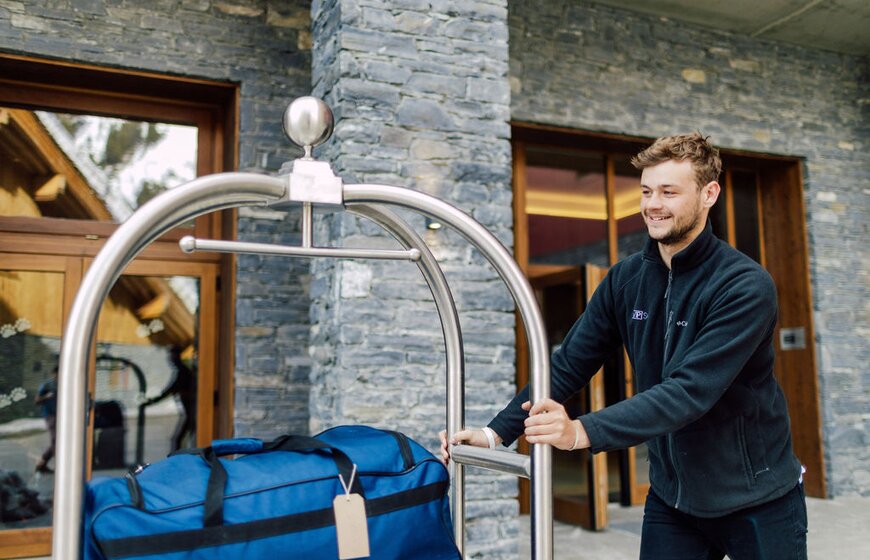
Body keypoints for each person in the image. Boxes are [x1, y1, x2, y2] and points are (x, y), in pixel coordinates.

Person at [441, 132, 807, 560]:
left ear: (709, 194)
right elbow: (569, 364)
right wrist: (495, 432)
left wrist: (581, 432)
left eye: (669, 192)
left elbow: (689, 391)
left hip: (758, 498)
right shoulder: (625, 280)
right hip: (674, 499)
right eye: (647, 191)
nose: (653, 204)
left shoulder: (744, 286)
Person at [143, 345, 196, 451]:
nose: (170, 359)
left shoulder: (183, 372)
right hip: (190, 413)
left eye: (172, 356)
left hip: (192, 413)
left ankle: (176, 462)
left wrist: (152, 401)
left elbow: (171, 389)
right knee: (180, 439)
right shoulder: (181, 371)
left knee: (177, 440)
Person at [33, 365, 58, 474]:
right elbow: (37, 400)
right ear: (54, 374)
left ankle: (41, 464)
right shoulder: (47, 385)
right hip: (50, 415)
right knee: (56, 440)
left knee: (59, 441)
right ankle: (59, 465)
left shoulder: (65, 383)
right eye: (57, 374)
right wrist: (46, 397)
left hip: (62, 415)